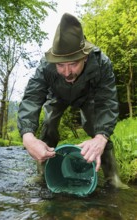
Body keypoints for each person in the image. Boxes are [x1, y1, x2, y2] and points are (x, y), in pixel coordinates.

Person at [18, 13, 128, 189]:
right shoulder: (45, 65)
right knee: (49, 122)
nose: (67, 72)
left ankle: (113, 177)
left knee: (96, 127)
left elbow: (107, 102)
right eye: (60, 65)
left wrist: (101, 136)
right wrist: (27, 136)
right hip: (57, 96)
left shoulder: (101, 63)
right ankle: (42, 173)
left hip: (87, 97)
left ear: (85, 57)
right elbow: (32, 97)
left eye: (73, 64)